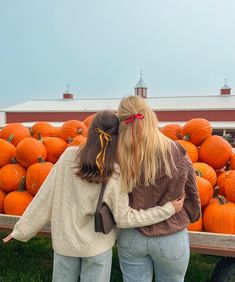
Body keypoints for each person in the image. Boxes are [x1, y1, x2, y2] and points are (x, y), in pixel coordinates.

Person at [3, 110, 185, 282]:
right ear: (118, 139)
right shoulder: (116, 171)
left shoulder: (68, 156)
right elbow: (125, 218)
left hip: (65, 246)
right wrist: (167, 209)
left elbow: (45, 197)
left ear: (90, 133)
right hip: (97, 249)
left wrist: (21, 230)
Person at [117, 96, 201, 282]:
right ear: (150, 117)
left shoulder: (117, 157)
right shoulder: (178, 154)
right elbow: (193, 196)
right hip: (171, 237)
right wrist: (191, 215)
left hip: (132, 235)